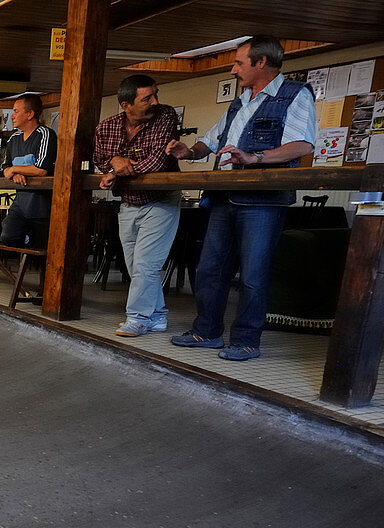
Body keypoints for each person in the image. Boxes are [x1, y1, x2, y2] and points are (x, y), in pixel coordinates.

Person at [165, 36, 316, 361]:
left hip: (263, 199)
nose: (233, 70)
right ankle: (206, 332)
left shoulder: (295, 94)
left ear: (261, 62)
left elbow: (302, 144)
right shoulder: (240, 100)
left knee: (253, 274)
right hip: (223, 195)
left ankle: (246, 340)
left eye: (238, 63)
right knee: (210, 269)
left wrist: (255, 158)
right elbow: (212, 139)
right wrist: (189, 151)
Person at [94, 74, 181, 337]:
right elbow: (100, 159)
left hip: (161, 201)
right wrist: (113, 162)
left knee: (145, 264)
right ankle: (157, 315)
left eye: (155, 94)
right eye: (147, 98)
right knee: (134, 264)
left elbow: (157, 162)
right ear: (125, 105)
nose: (155, 101)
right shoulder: (105, 128)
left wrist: (118, 169)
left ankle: (138, 318)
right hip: (129, 202)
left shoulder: (165, 116)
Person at [0, 93, 56, 251]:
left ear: (30, 114)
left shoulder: (46, 134)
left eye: (16, 111)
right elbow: (5, 168)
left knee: (42, 249)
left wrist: (15, 169)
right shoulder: (13, 139)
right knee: (7, 236)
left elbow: (41, 169)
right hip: (20, 203)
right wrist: (15, 173)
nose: (12, 116)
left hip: (41, 205)